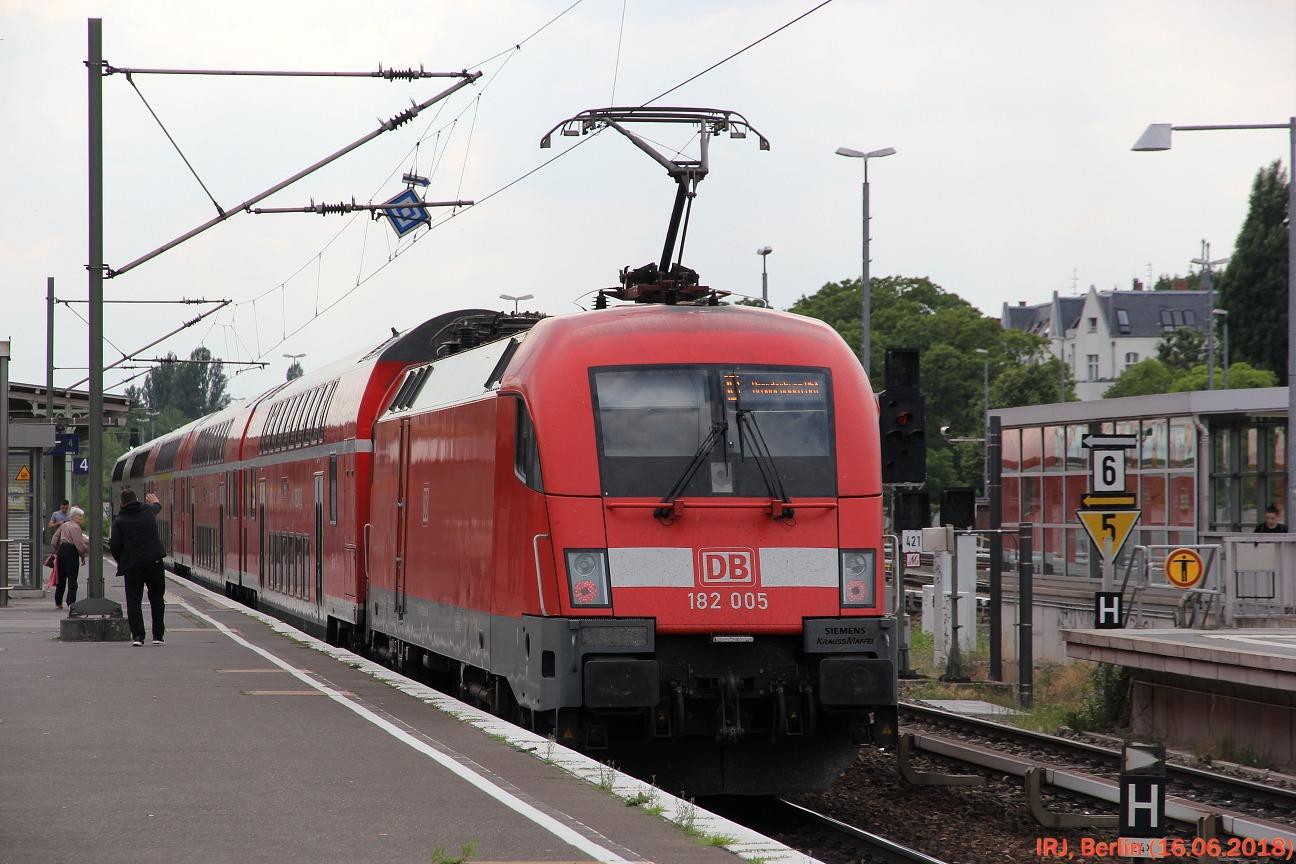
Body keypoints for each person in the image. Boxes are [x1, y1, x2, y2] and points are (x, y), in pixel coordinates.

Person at [109, 490, 167, 647]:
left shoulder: (120, 520)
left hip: (132, 566)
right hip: (154, 562)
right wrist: (156, 501)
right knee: (157, 599)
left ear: (121, 503)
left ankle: (138, 636)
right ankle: (158, 636)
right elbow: (157, 507)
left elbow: (114, 545)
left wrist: (122, 560)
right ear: (136, 499)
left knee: (134, 601)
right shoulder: (148, 510)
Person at [51, 507, 89, 609]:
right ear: (73, 516)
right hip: (71, 552)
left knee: (61, 578)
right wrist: (83, 555)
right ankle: (71, 602)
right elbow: (79, 544)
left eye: (82, 516)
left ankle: (58, 602)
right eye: (79, 516)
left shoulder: (64, 525)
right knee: (72, 578)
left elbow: (54, 540)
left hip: (62, 551)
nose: (81, 518)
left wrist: (58, 550)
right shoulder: (76, 528)